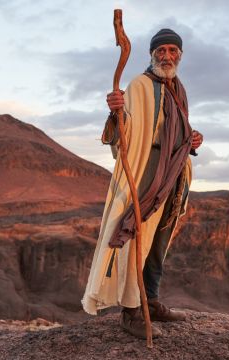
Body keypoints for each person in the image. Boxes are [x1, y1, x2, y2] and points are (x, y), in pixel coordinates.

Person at [82, 28, 203, 339]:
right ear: (152, 55)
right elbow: (130, 130)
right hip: (147, 172)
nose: (166, 56)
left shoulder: (179, 88)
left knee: (159, 242)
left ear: (180, 55)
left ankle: (151, 300)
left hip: (173, 175)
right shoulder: (140, 84)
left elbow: (172, 130)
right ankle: (132, 312)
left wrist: (191, 140)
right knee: (138, 238)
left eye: (172, 51)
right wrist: (116, 111)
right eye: (160, 51)